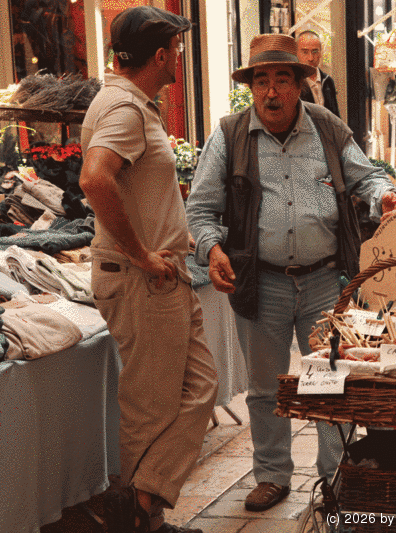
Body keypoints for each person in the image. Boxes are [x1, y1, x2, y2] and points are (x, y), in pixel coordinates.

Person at [185, 34, 396, 513]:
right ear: (251, 87)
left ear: (299, 83)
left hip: (327, 279)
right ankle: (271, 475)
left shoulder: (326, 127)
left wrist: (383, 195)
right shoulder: (229, 134)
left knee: (332, 381)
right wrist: (212, 248)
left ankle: (337, 476)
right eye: (261, 81)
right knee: (265, 388)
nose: (271, 92)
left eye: (282, 79)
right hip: (259, 281)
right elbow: (199, 208)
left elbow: (367, 176)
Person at [79, 6, 218, 533]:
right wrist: (141, 253)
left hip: (162, 275)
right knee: (151, 406)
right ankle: (142, 520)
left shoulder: (132, 104)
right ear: (161, 56)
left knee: (201, 386)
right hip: (143, 278)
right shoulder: (124, 108)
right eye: (177, 50)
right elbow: (95, 180)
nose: (179, 58)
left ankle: (141, 503)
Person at [297, 30, 340, 117]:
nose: (310, 58)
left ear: (320, 53)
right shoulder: (294, 82)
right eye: (305, 52)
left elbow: (335, 116)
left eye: (315, 51)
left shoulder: (327, 80)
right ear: (296, 53)